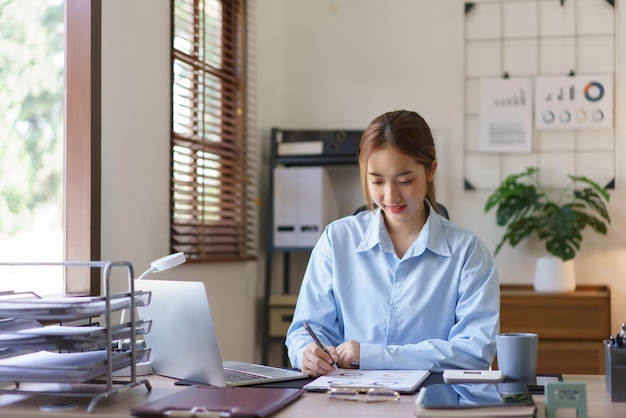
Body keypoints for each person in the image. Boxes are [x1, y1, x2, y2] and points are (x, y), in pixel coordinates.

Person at [285, 110, 500, 377]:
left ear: (430, 170)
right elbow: (305, 331)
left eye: (404, 181)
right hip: (349, 399)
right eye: (376, 181)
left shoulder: (468, 252)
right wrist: (306, 353)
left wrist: (372, 355)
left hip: (433, 402)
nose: (390, 196)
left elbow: (474, 353)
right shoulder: (336, 241)